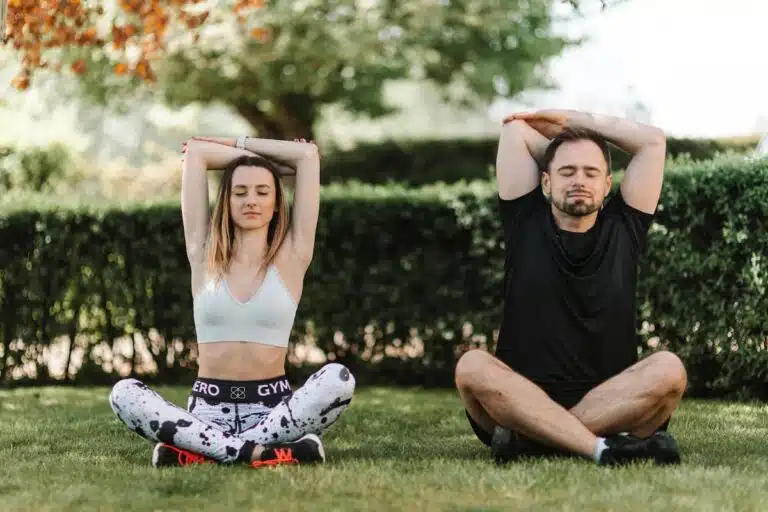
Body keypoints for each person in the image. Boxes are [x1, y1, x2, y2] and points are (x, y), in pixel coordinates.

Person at [455, 109, 687, 465]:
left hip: (613, 403)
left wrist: (575, 123)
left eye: (591, 172)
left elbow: (652, 141)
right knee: (471, 366)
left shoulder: (626, 226)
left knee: (670, 369)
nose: (579, 179)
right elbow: (515, 130)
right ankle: (601, 446)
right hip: (517, 397)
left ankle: (533, 440)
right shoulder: (524, 219)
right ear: (546, 182)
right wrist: (566, 141)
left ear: (608, 184)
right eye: (566, 171)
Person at [109, 135, 355, 468]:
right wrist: (269, 164)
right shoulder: (203, 251)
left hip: (272, 412)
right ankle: (260, 454)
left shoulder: (293, 256)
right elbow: (196, 153)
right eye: (239, 192)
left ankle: (202, 451)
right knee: (123, 393)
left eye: (262, 192)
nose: (250, 200)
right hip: (208, 410)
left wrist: (243, 147)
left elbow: (308, 156)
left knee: (339, 379)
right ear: (226, 200)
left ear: (276, 203)